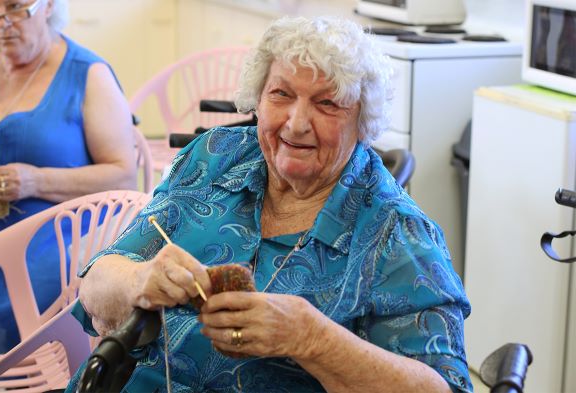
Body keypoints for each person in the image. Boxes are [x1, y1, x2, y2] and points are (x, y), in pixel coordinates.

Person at [68, 16, 472, 393]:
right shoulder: (214, 157)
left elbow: (442, 386)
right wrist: (139, 282)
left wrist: (311, 338)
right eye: (281, 94)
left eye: (327, 103)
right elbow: (95, 287)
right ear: (257, 100)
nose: (296, 123)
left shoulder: (397, 233)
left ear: (361, 120)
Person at [0, 0, 137, 354]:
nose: (2, 22)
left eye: (16, 7)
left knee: (23, 305)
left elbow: (124, 176)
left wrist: (36, 181)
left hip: (50, 249)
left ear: (48, 5)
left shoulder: (88, 74)